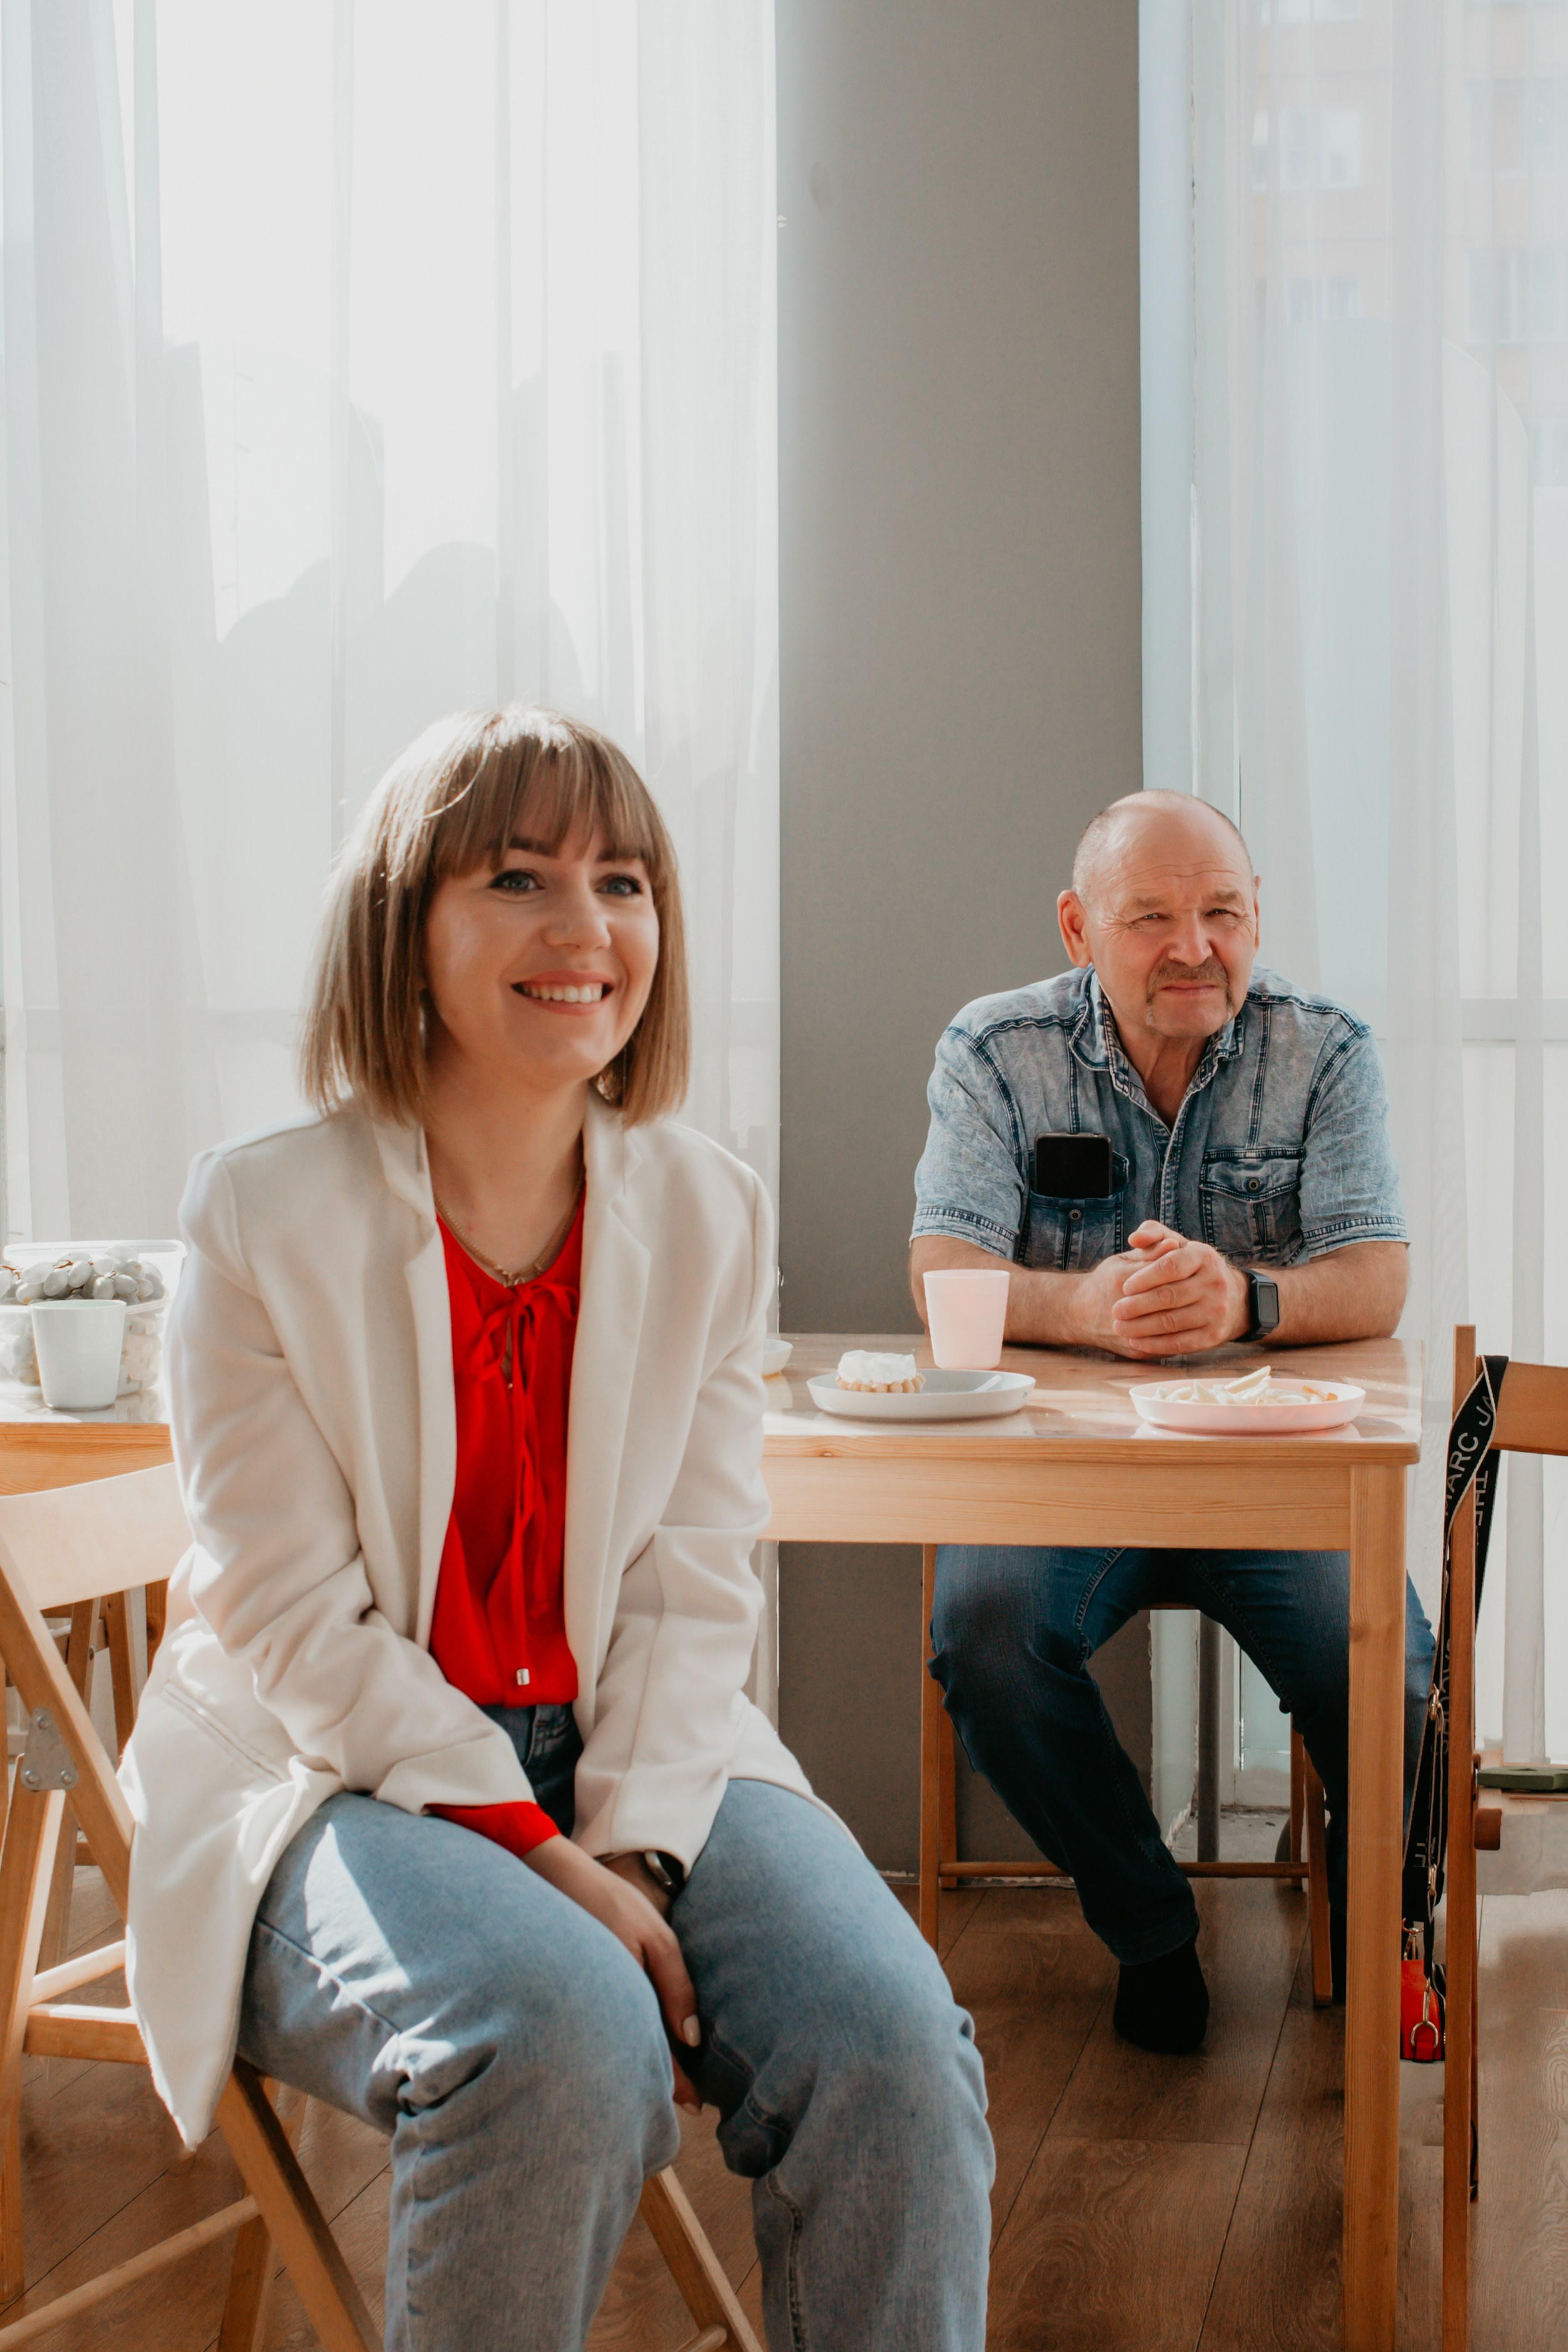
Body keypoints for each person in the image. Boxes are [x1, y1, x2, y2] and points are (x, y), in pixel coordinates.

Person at [123, 706, 992, 2352]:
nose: (584, 929)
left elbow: (690, 1585)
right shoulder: (258, 1214)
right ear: (406, 922)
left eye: (623, 879)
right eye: (516, 877)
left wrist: (633, 1857)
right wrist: (543, 1869)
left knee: (889, 2043)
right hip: (334, 1769)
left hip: (637, 1748)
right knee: (555, 2030)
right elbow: (297, 1626)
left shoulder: (707, 1208)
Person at [909, 789, 1434, 2055]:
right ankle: (1151, 1927)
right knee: (983, 1632)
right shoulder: (995, 1047)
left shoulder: (1328, 1048)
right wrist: (1087, 1308)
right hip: (1071, 1487)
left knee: (1395, 1672)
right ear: (1080, 926)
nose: (1193, 946)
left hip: (1284, 1479)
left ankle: (1379, 1951)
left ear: (1259, 923)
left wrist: (1249, 1297)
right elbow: (941, 1273)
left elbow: (1376, 1273)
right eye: (1152, 918)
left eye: (1223, 914)